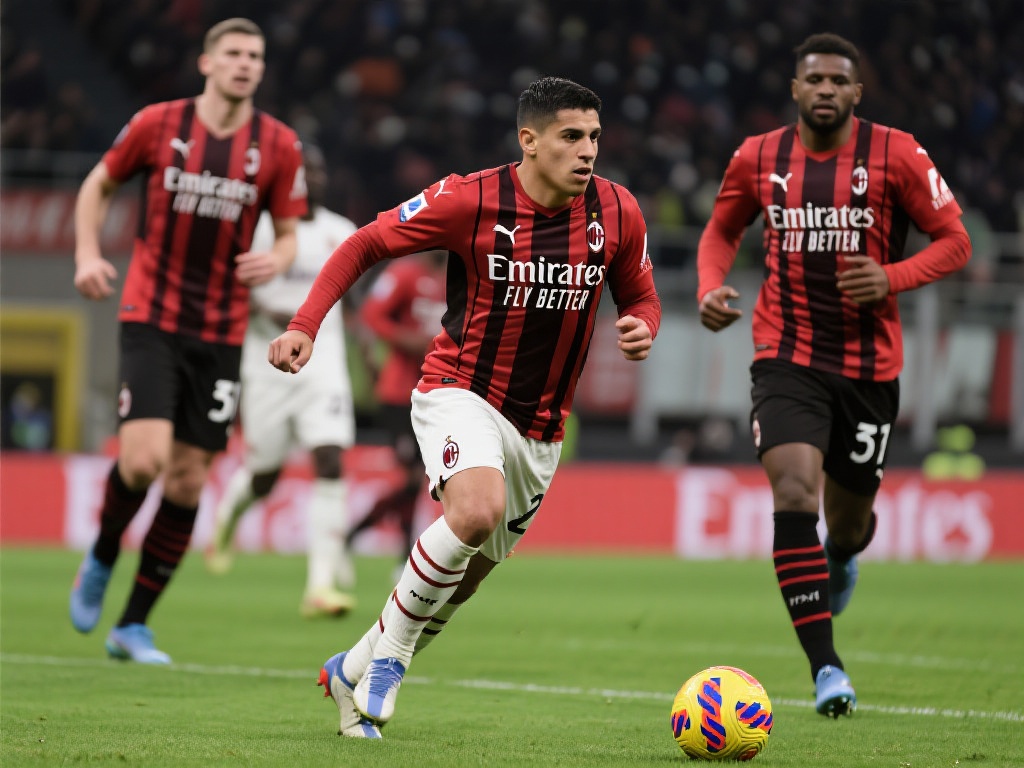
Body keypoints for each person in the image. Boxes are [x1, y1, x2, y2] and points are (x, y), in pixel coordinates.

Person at [268, 76, 661, 738]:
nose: (588, 150)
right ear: (529, 140)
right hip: (461, 389)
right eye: (571, 136)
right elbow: (365, 243)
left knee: (464, 580)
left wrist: (643, 325)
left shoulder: (618, 210)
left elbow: (641, 296)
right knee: (474, 513)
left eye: (594, 136)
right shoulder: (469, 198)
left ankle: (350, 669)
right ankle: (391, 660)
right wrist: (305, 324)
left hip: (541, 429)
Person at [696, 32, 971, 717]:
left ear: (856, 91)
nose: (825, 89)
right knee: (794, 491)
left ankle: (843, 557)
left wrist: (892, 277)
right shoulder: (757, 157)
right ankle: (826, 668)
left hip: (869, 368)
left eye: (838, 81)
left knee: (848, 524)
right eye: (814, 79)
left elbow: (955, 240)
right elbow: (722, 229)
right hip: (784, 354)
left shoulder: (897, 153)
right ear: (796, 89)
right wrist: (709, 286)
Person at [69, 18, 307, 664]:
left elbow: (290, 233)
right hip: (152, 313)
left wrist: (278, 258)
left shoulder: (279, 144)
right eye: (233, 53)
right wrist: (87, 253)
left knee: (187, 480)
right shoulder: (158, 124)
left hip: (223, 329)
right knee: (143, 461)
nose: (245, 64)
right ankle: (102, 553)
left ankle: (132, 625)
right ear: (207, 62)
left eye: (255, 55)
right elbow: (98, 183)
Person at [204, 145, 359, 619]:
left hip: (324, 364)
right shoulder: (257, 230)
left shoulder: (341, 231)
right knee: (265, 475)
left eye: (319, 171)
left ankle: (320, 586)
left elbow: (351, 300)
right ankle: (227, 518)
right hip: (265, 365)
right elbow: (225, 289)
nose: (313, 179)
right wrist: (266, 310)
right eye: (303, 172)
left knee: (330, 459)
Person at [346, 250, 447, 576]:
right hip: (398, 394)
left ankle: (364, 541)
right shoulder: (403, 273)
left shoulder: (457, 277)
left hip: (436, 393)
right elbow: (372, 315)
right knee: (413, 478)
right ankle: (375, 544)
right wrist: (407, 340)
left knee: (418, 480)